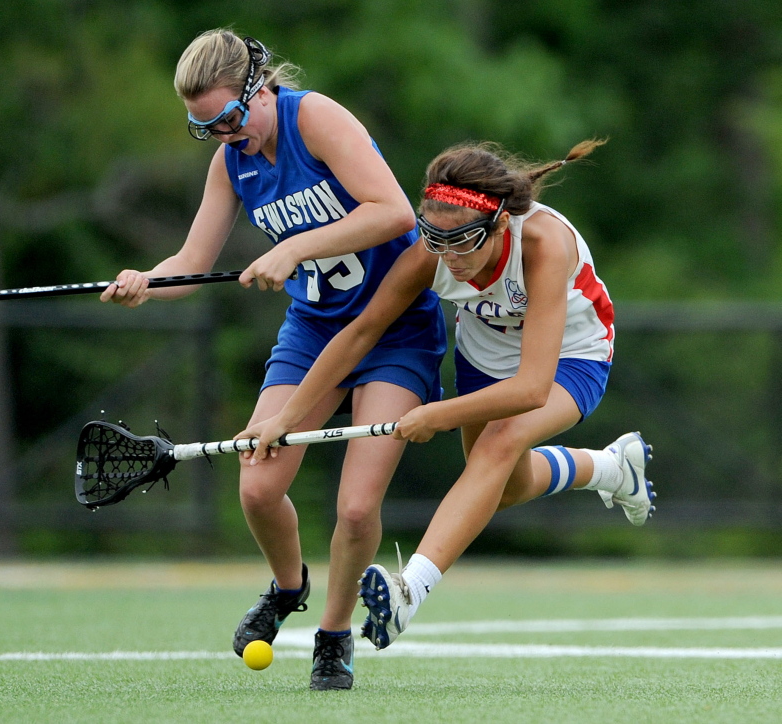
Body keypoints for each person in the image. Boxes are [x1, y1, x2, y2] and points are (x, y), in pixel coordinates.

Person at [100, 29, 446, 689]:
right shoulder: (231, 161)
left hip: (395, 331)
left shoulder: (315, 118)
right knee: (258, 487)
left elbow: (396, 212)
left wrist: (296, 248)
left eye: (230, 118)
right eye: (206, 128)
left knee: (353, 506)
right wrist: (147, 279)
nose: (226, 135)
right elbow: (192, 263)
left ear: (260, 88)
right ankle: (289, 588)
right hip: (313, 331)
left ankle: (334, 637)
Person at [235, 138, 655, 651]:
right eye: (436, 240)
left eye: (462, 242)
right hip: (483, 357)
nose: (449, 258)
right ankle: (611, 470)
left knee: (497, 446)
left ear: (499, 225)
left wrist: (437, 413)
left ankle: (410, 590)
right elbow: (360, 333)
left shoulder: (544, 244)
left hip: (572, 356)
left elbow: (530, 389)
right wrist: (289, 417)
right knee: (504, 486)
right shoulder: (430, 254)